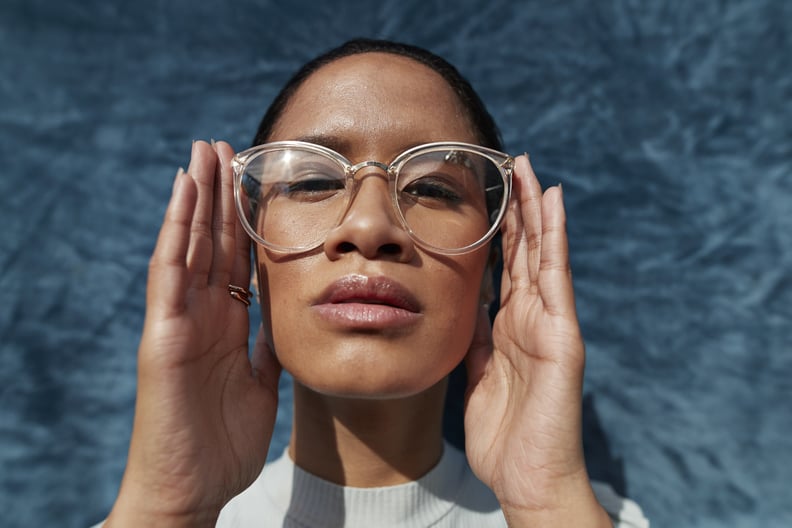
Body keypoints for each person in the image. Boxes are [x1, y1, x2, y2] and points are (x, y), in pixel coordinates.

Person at [96, 39, 649, 527]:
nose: (370, 227)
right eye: (313, 180)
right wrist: (168, 509)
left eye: (433, 188)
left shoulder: (583, 517)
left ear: (491, 268)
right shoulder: (149, 518)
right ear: (250, 253)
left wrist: (546, 505)